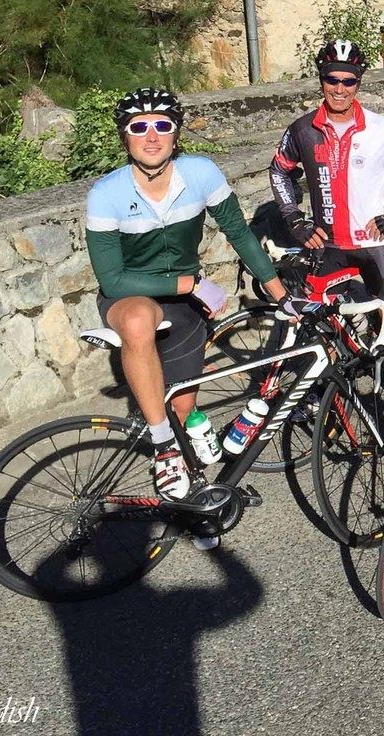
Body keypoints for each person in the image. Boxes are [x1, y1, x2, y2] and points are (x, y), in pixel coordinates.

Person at [85, 88, 294, 512]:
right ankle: (163, 449)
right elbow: (113, 279)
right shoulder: (106, 193)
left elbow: (239, 234)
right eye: (139, 127)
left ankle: (197, 507)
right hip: (129, 298)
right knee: (138, 322)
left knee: (184, 410)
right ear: (125, 137)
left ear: (176, 134)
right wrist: (190, 284)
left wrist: (283, 297)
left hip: (183, 309)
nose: (151, 136)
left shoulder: (200, 174)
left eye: (162, 126)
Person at [269, 39, 384, 391]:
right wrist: (294, 219)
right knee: (326, 329)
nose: (339, 88)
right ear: (321, 80)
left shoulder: (381, 129)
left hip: (375, 245)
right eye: (332, 79)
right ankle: (332, 402)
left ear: (358, 82)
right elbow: (278, 171)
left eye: (348, 81)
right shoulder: (302, 130)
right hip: (328, 246)